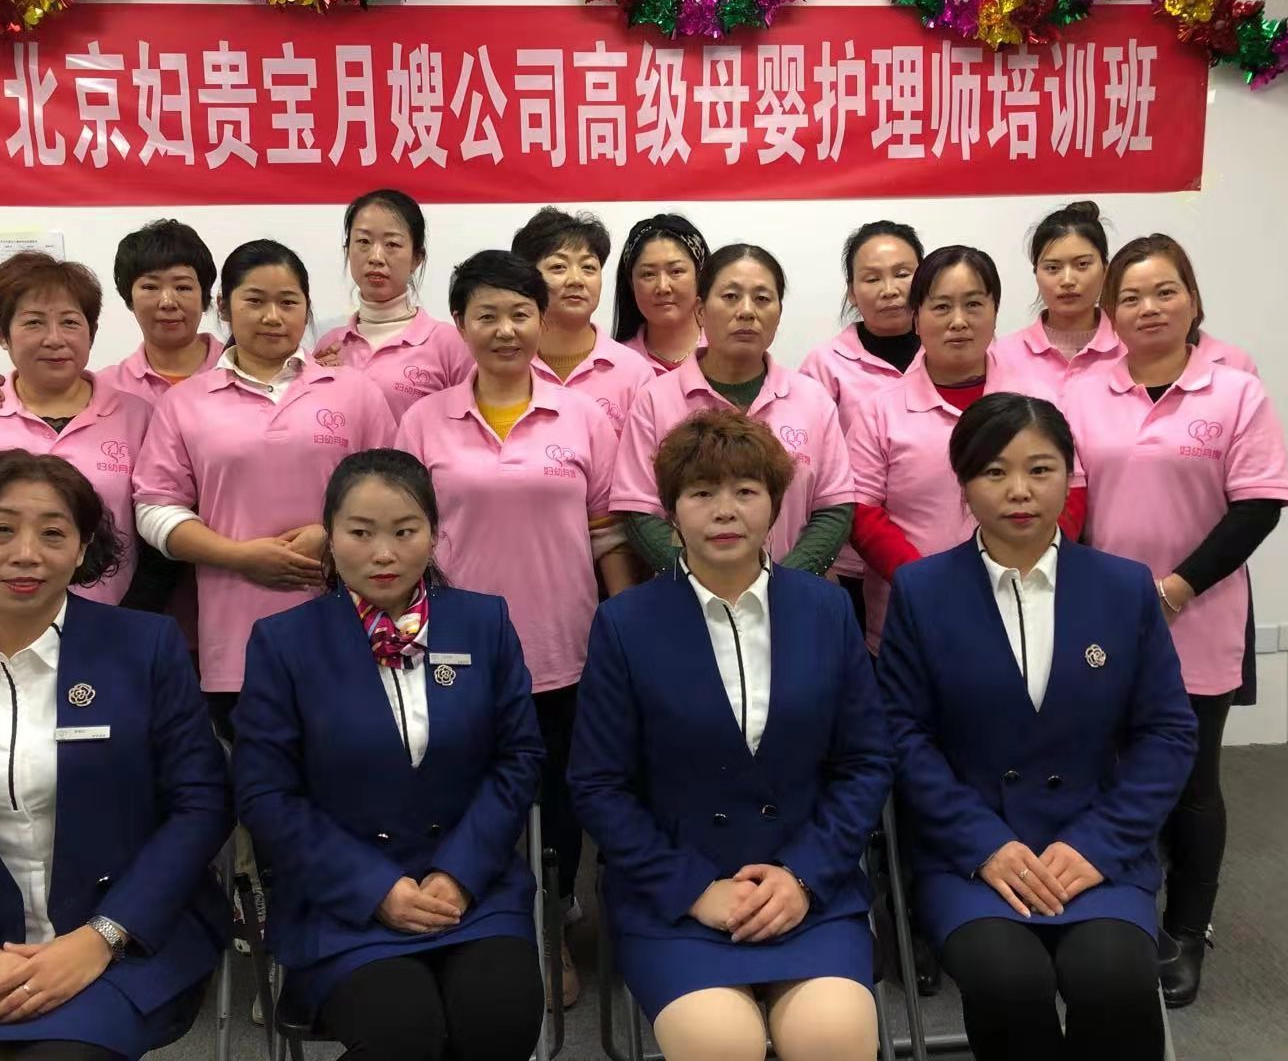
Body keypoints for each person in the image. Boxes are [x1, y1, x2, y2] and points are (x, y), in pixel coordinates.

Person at [878, 393, 1198, 1061]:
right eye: (994, 472)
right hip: (972, 856)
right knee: (1008, 981)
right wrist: (984, 844)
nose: (1019, 491)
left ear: (1069, 475)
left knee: (1112, 979)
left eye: (1040, 469)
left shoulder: (1124, 587)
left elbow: (1167, 732)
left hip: (1099, 848)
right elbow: (903, 736)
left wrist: (1098, 844)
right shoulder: (922, 592)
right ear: (964, 482)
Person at [571, 409, 891, 1061]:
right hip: (677, 895)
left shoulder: (826, 609)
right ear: (671, 511)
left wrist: (803, 876)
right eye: (701, 493)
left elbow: (865, 762)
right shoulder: (626, 623)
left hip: (809, 887)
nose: (724, 511)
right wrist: (693, 889)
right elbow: (598, 785)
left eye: (745, 491)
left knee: (831, 1037)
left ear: (774, 504)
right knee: (724, 1044)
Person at [232, 449, 545, 1061]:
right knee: (403, 1033)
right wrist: (375, 887)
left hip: (472, 888)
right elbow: (265, 794)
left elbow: (519, 758)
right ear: (330, 535)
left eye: (405, 532)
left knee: (500, 1020)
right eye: (360, 532)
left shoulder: (483, 622)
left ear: (433, 532)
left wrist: (459, 873)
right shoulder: (284, 643)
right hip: (342, 898)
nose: (383, 553)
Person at [0, 450, 230, 1060]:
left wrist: (103, 936)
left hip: (125, 946)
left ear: (83, 546)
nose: (26, 554)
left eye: (53, 533)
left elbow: (201, 804)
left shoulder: (145, 647)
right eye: (1, 530)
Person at [396, 250, 632, 1008]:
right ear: (460, 324)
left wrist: (627, 626)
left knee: (558, 798)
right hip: (448, 650)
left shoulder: (584, 416)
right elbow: (399, 535)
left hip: (565, 645)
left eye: (520, 314)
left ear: (541, 319)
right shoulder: (422, 420)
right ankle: (475, 923)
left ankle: (554, 922)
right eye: (487, 315)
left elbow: (608, 533)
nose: (505, 330)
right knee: (462, 793)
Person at [1067, 234, 1288, 1007]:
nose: (1149, 308)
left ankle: (1187, 931)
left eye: (1165, 291)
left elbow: (1257, 506)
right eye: (1130, 297)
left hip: (1197, 614)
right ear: (1109, 312)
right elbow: (1069, 498)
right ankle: (1113, 913)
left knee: (1191, 782)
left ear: (1193, 299)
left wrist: (1174, 590)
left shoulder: (1234, 392)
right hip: (1101, 620)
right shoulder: (1085, 391)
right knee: (1106, 771)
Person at [132, 239, 397, 734]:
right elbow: (155, 507)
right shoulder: (185, 403)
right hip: (236, 638)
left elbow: (396, 495)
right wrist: (239, 556)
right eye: (254, 300)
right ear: (223, 307)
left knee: (353, 764)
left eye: (288, 302)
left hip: (353, 627)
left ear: (307, 308)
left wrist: (331, 538)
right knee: (255, 771)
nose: (273, 317)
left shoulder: (355, 392)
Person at [846, 246, 1086, 653]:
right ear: (916, 318)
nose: (958, 321)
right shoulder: (879, 410)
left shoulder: (1038, 398)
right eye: (941, 307)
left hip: (1026, 605)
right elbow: (862, 512)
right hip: (914, 616)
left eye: (973, 304)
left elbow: (1072, 491)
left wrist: (1029, 565)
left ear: (995, 311)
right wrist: (926, 582)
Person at [0, 252, 153, 608]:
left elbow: (154, 530)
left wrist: (130, 617)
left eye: (70, 322)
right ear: (1, 333)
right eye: (34, 323)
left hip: (112, 617)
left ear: (91, 332)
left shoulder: (137, 416)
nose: (54, 339)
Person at [613, 244, 855, 577]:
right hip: (686, 595)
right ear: (700, 311)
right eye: (730, 296)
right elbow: (639, 511)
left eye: (762, 298)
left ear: (779, 313)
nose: (746, 311)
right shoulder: (654, 400)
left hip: (793, 592)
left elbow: (833, 508)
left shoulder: (813, 400)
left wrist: (781, 583)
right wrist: (701, 579)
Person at [0, 220, 225, 409]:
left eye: (183, 287)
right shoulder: (106, 390)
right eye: (150, 287)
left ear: (205, 296)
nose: (167, 302)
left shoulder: (238, 370)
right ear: (129, 298)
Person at [799, 220, 924, 623]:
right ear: (852, 291)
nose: (889, 289)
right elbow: (808, 467)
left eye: (902, 273)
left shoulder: (954, 352)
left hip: (940, 551)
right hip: (850, 562)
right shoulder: (824, 365)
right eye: (872, 278)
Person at [310, 189, 474, 419]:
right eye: (363, 241)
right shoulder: (330, 344)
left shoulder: (449, 344)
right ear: (347, 250)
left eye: (392, 244)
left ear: (417, 258)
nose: (375, 257)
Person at [510, 207, 655, 434]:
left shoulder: (635, 372)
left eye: (588, 268)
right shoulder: (506, 363)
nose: (576, 280)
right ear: (527, 279)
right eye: (558, 267)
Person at [991, 201, 1124, 399]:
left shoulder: (1130, 349)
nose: (1067, 280)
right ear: (1036, 274)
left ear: (1105, 270)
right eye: (1053, 268)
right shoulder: (1000, 355)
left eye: (1082, 264)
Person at [612, 214, 710, 375]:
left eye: (676, 271)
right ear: (631, 283)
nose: (663, 287)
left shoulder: (726, 353)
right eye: (648, 274)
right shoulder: (615, 364)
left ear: (700, 275)